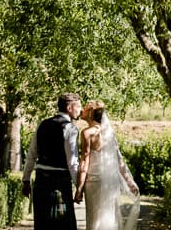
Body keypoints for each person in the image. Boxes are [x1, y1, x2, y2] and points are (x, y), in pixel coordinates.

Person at [73, 100, 140, 230]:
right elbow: (118, 160)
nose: (82, 110)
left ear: (91, 113)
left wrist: (79, 188)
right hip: (110, 181)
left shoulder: (87, 133)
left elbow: (84, 161)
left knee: (94, 220)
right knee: (109, 218)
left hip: (93, 182)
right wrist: (130, 181)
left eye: (85, 108)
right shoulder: (109, 133)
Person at [22, 92, 83, 230]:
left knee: (43, 225)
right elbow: (72, 162)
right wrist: (79, 188)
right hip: (59, 183)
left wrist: (26, 180)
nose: (81, 110)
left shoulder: (42, 124)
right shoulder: (71, 128)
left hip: (40, 183)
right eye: (78, 106)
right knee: (63, 226)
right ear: (69, 108)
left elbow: (31, 154)